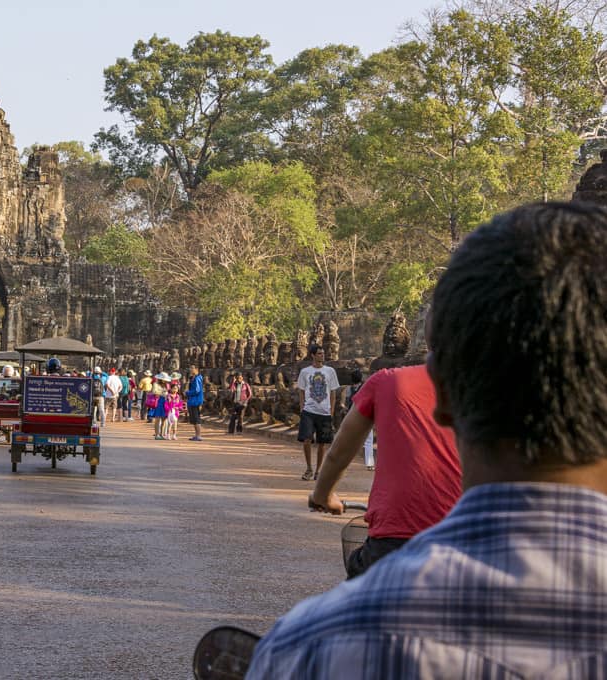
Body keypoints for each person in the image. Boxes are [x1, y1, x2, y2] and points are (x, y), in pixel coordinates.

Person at [246, 202, 607, 679]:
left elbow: (340, 449)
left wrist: (322, 492)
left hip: (393, 539)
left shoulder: (311, 646)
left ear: (444, 393)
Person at [310, 363, 461, 578]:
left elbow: (338, 454)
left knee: (351, 603)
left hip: (393, 539)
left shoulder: (387, 381)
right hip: (470, 539)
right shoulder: (495, 387)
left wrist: (322, 496)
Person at [296, 344, 339, 480]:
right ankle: (309, 468)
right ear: (313, 355)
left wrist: (331, 411)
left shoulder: (330, 371)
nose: (322, 355)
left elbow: (333, 393)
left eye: (323, 353)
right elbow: (301, 391)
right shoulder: (305, 372)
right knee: (307, 440)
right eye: (319, 353)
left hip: (325, 412)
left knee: (322, 443)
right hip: (309, 411)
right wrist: (302, 408)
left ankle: (318, 470)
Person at [346, 367, 374, 469]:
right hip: (366, 416)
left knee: (350, 440)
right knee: (368, 441)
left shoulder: (349, 389)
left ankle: (344, 461)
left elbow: (347, 402)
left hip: (353, 416)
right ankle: (369, 463)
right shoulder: (365, 387)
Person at [184, 365, 204, 441]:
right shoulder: (193, 378)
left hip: (196, 400)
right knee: (194, 419)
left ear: (196, 369)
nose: (190, 370)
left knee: (196, 418)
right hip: (192, 400)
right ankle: (196, 435)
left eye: (192, 368)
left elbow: (197, 390)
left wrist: (187, 393)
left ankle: (198, 435)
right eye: (190, 368)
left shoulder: (197, 378)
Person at [150, 373, 170, 440]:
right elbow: (154, 392)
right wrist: (162, 393)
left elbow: (168, 392)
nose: (165, 380)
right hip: (158, 402)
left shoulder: (166, 385)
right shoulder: (155, 384)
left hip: (165, 403)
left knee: (164, 419)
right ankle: (157, 434)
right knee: (157, 419)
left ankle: (162, 434)